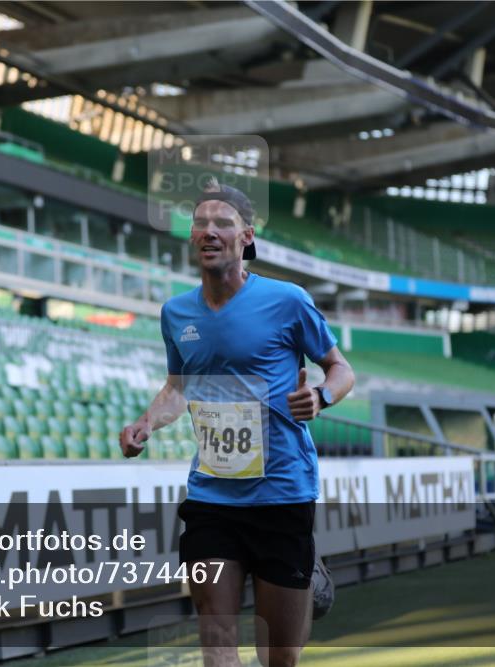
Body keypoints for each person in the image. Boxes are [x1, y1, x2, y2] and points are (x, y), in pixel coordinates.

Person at [119, 179, 355, 667]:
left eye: (222, 223)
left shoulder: (288, 301)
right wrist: (145, 423)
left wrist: (321, 396)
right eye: (200, 223)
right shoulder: (175, 313)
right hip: (212, 497)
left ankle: (305, 569)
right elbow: (178, 388)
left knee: (279, 657)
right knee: (217, 638)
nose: (209, 231)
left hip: (282, 493)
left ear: (246, 237)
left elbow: (340, 368)